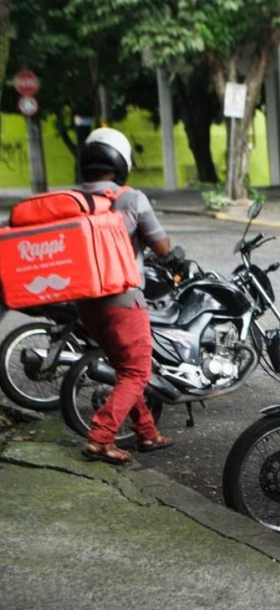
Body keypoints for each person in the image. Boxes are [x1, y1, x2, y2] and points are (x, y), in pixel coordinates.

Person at [76, 127, 177, 465]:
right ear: (121, 162)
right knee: (137, 374)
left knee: (125, 371)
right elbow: (161, 247)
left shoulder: (75, 200)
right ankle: (102, 437)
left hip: (87, 305)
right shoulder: (130, 198)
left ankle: (147, 433)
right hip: (123, 301)